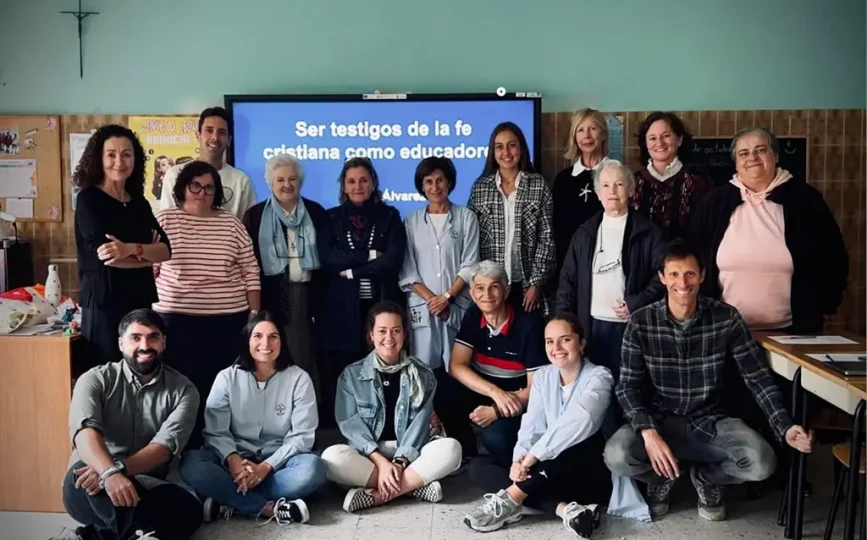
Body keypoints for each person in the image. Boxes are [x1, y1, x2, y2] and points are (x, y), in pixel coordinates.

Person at [603, 240, 815, 522]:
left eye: (690, 274)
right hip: (659, 419)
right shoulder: (641, 322)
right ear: (662, 278)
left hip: (711, 420)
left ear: (702, 275)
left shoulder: (726, 317)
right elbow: (627, 386)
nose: (682, 283)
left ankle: (706, 478)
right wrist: (647, 432)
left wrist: (784, 425)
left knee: (761, 462)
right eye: (674, 274)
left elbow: (757, 378)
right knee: (617, 455)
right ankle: (663, 477)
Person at [464, 313, 612, 537]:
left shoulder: (599, 377)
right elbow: (532, 425)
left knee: (566, 449)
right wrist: (519, 461)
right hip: (546, 476)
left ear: (581, 343)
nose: (556, 348)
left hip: (585, 472)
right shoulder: (544, 376)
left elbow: (581, 420)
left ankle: (510, 500)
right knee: (478, 468)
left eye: (565, 339)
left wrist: (533, 457)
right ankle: (566, 511)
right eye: (549, 341)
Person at [60, 309, 201, 540]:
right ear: (121, 343)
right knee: (87, 478)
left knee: (191, 510)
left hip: (143, 482)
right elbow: (85, 434)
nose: (144, 346)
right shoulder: (94, 379)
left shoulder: (185, 390)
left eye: (153, 337)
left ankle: (90, 536)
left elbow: (163, 449)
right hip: (89, 481)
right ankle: (141, 534)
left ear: (163, 342)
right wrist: (107, 472)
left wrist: (117, 470)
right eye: (135, 338)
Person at [689, 127, 848, 333]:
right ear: (736, 163)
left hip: (793, 330)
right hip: (725, 331)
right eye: (743, 153)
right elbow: (694, 256)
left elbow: (833, 256)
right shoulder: (714, 202)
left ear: (776, 156)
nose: (752, 158)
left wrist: (825, 302)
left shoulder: (806, 200)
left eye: (761, 150)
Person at [179, 311, 327, 526]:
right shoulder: (227, 378)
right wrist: (233, 461)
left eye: (273, 336)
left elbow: (301, 437)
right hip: (233, 461)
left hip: (278, 463)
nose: (265, 343)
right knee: (192, 464)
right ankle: (266, 508)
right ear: (247, 340)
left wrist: (265, 467)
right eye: (257, 336)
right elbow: (216, 431)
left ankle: (228, 499)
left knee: (313, 468)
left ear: (282, 341)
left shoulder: (299, 379)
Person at [154, 160, 261, 448]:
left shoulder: (231, 223)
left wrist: (254, 314)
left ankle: (222, 444)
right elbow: (149, 269)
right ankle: (182, 444)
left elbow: (250, 270)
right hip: (175, 320)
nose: (202, 192)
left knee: (222, 386)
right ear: (182, 188)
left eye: (209, 187)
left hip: (227, 320)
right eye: (196, 186)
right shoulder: (164, 220)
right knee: (181, 385)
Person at [321, 301, 462, 513]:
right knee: (331, 458)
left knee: (451, 449)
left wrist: (399, 462)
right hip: (369, 454)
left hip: (409, 451)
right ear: (371, 335)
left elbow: (420, 424)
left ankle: (377, 496)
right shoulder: (351, 376)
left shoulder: (423, 375)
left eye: (396, 331)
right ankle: (413, 486)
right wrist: (381, 462)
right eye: (382, 331)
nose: (389, 338)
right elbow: (350, 424)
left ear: (405, 335)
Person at [556, 161, 663, 425]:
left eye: (619, 184)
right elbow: (568, 279)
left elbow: (663, 277)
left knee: (629, 392)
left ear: (631, 189)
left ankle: (629, 442)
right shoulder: (585, 232)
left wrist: (636, 302)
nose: (612, 191)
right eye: (605, 185)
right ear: (597, 192)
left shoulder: (648, 231)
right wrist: (563, 323)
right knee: (594, 395)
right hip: (591, 327)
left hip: (630, 328)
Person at [73, 125, 171, 366]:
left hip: (140, 300)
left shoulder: (138, 202)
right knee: (107, 373)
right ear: (99, 158)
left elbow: (165, 251)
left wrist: (130, 249)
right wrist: (147, 257)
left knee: (142, 366)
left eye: (126, 154)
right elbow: (108, 258)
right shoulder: (89, 199)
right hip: (104, 304)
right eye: (111, 154)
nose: (119, 162)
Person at [318, 157, 406, 420]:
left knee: (380, 362)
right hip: (342, 307)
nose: (358, 186)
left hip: (380, 303)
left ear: (373, 183)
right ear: (344, 186)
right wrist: (369, 256)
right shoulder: (331, 217)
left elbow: (392, 261)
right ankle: (346, 421)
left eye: (364, 180)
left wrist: (353, 271)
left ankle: (383, 418)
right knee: (345, 365)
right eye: (352, 181)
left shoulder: (390, 216)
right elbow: (328, 257)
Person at [438, 261, 547, 467]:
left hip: (517, 399)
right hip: (487, 391)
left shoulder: (529, 324)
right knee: (443, 388)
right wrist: (494, 392)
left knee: (496, 437)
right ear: (472, 294)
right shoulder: (474, 314)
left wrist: (496, 410)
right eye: (480, 288)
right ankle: (465, 453)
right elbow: (456, 365)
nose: (486, 295)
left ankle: (516, 472)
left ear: (506, 291)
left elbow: (537, 389)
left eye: (494, 287)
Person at [243, 154, 328, 404]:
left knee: (307, 356)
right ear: (270, 183)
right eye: (280, 180)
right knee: (271, 357)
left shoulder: (316, 212)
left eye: (292, 179)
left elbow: (328, 260)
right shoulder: (255, 215)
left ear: (300, 181)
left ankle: (309, 411)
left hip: (310, 297)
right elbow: (248, 263)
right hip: (270, 298)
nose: (287, 185)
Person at [398, 156, 479, 373]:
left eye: (440, 180)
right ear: (422, 186)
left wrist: (447, 297)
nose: (435, 187)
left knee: (459, 369)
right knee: (423, 372)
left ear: (449, 182)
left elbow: (470, 264)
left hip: (457, 305)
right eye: (429, 181)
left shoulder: (466, 217)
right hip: (423, 307)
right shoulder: (411, 221)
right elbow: (407, 269)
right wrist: (433, 301)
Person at [468, 122, 555, 314]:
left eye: (512, 145)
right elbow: (472, 239)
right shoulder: (480, 187)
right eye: (499, 147)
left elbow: (546, 239)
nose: (506, 152)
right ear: (492, 152)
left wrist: (536, 284)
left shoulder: (538, 185)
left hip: (526, 286)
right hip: (491, 287)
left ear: (521, 148)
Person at [158, 107, 256, 219]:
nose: (215, 137)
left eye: (221, 132)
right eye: (209, 131)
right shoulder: (174, 175)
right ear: (198, 135)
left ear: (229, 140)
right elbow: (166, 221)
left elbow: (248, 225)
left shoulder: (241, 181)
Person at [630, 112, 713, 240]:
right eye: (652, 138)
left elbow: (709, 227)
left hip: (688, 252)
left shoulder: (699, 181)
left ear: (679, 140)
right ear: (645, 144)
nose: (659, 143)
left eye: (666, 136)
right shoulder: (633, 182)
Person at [551, 108, 608, 272]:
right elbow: (557, 229)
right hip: (570, 264)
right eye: (580, 130)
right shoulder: (563, 180)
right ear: (574, 137)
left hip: (606, 263)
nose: (587, 136)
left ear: (603, 134)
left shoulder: (616, 174)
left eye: (593, 128)